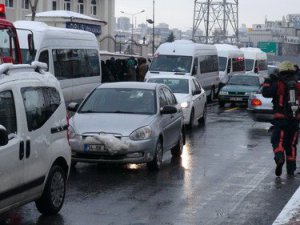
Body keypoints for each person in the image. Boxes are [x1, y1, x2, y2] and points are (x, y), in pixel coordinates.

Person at [262, 61, 300, 177]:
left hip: (280, 120)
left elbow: (266, 93)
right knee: (291, 144)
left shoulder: (278, 83)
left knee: (277, 141)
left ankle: (279, 158)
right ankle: (291, 169)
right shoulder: (298, 85)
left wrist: (269, 80)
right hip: (295, 121)